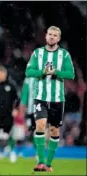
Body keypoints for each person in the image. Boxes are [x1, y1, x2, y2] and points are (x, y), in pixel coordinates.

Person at [25, 26, 75, 172]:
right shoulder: (38, 53)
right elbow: (29, 71)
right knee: (40, 126)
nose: (52, 37)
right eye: (50, 34)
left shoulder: (64, 55)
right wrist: (42, 71)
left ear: (58, 39)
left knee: (54, 131)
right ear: (46, 36)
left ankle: (48, 163)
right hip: (40, 97)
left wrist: (56, 72)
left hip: (57, 99)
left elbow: (70, 74)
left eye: (55, 35)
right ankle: (40, 162)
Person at [18, 77, 37, 160]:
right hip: (32, 111)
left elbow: (24, 98)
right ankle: (37, 153)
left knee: (36, 132)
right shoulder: (29, 79)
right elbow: (24, 97)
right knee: (34, 132)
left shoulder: (29, 78)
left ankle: (38, 153)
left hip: (35, 111)